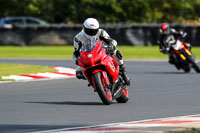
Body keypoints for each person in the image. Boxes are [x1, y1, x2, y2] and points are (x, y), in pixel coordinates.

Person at [73, 18, 130, 86]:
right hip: (88, 57)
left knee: (115, 52)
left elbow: (111, 41)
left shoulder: (101, 32)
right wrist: (77, 59)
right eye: (89, 31)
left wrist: (111, 46)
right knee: (78, 73)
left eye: (94, 31)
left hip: (102, 51)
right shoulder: (78, 38)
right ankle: (94, 82)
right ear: (84, 28)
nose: (91, 33)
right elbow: (76, 52)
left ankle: (123, 71)